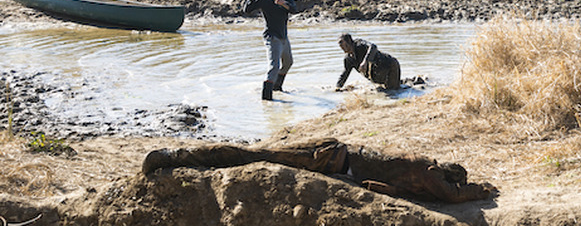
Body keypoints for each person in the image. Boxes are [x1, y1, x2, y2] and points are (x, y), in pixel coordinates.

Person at [141, 138, 497, 203]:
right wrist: (480, 189)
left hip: (333, 158)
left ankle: (179, 156)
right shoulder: (427, 169)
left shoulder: (418, 169)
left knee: (251, 156)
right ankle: (175, 156)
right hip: (326, 156)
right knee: (250, 155)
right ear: (442, 172)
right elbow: (452, 196)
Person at [242, 0, 297, 101]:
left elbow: (293, 10)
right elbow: (247, 10)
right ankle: (267, 99)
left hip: (284, 37)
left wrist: (283, 3)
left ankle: (277, 87)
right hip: (272, 37)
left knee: (288, 62)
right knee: (274, 67)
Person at [336, 33, 401, 91]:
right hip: (380, 76)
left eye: (341, 42)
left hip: (390, 66)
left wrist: (365, 61)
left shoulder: (360, 44)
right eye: (339, 43)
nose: (340, 45)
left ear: (349, 41)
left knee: (393, 92)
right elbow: (344, 75)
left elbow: (373, 46)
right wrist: (337, 87)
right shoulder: (348, 59)